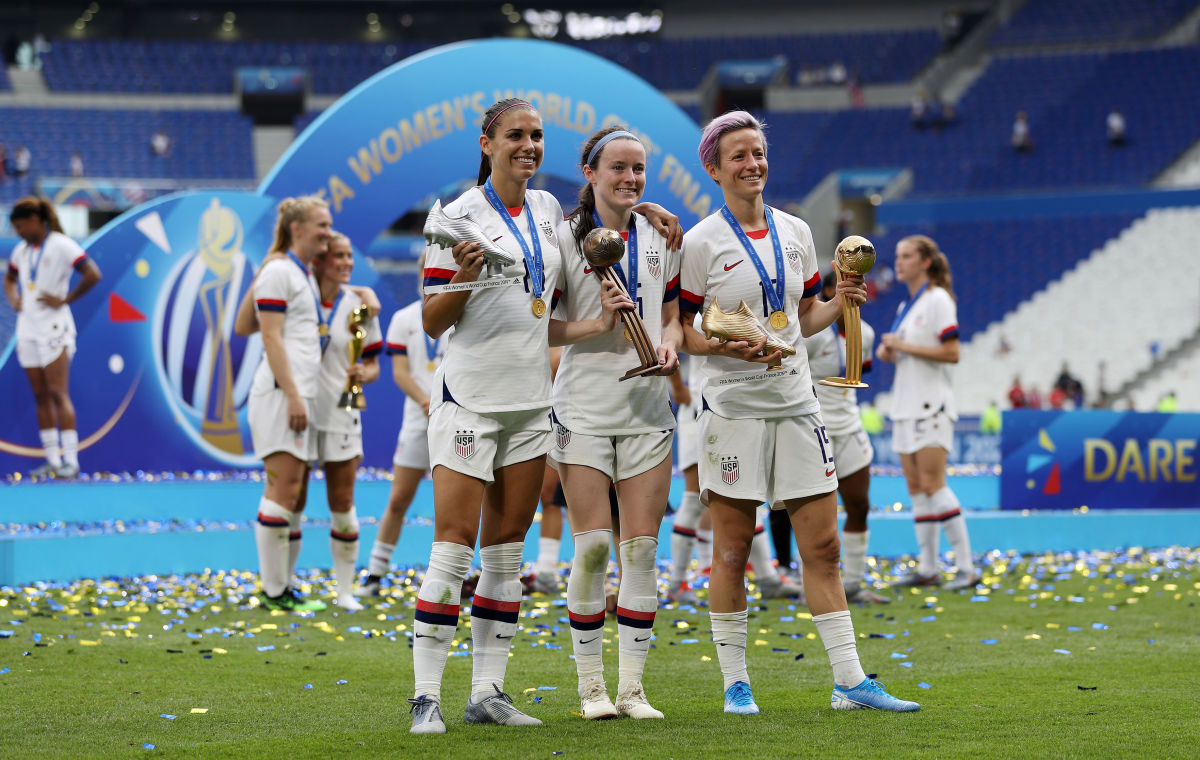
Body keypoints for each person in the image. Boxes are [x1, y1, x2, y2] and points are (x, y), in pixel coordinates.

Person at [408, 98, 676, 734]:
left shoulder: (550, 211)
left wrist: (647, 217)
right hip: (470, 399)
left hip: (532, 404)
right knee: (452, 548)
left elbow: (546, 317)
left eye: (536, 137)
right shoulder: (456, 217)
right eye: (515, 136)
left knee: (505, 554)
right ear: (487, 142)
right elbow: (430, 321)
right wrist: (460, 283)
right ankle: (425, 697)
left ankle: (487, 692)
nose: (528, 146)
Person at [679, 111, 919, 715]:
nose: (752, 163)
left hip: (797, 403)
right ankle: (736, 683)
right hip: (733, 410)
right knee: (732, 550)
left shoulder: (796, 230)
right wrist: (722, 343)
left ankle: (849, 681)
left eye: (758, 152)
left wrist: (840, 301)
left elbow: (804, 317)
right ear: (714, 167)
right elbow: (683, 330)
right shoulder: (701, 241)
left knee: (825, 548)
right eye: (738, 155)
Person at [551, 125, 683, 721]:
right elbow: (540, 328)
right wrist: (595, 326)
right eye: (619, 168)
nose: (631, 178)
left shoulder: (660, 233)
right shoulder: (559, 240)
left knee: (643, 551)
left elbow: (674, 315)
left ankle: (632, 690)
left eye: (639, 169)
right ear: (591, 174)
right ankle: (590, 690)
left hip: (649, 409)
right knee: (594, 551)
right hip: (583, 406)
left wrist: (673, 344)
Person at [244, 195, 333, 612]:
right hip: (284, 394)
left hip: (299, 394)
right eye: (322, 225)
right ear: (297, 228)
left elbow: (246, 321)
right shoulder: (281, 270)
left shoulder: (294, 271)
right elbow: (268, 336)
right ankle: (273, 591)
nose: (328, 234)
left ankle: (285, 586)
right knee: (283, 488)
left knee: (296, 495)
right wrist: (294, 394)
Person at [877, 234, 978, 591]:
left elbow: (952, 352)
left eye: (906, 256)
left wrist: (903, 345)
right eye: (898, 256)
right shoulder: (907, 306)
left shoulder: (937, 299)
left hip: (930, 405)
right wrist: (892, 352)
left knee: (934, 485)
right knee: (917, 488)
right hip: (905, 405)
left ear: (925, 262)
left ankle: (967, 567)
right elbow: (910, 349)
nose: (899, 262)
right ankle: (928, 568)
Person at [362, 255, 446, 597]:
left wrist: (443, 403)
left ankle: (449, 577)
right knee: (398, 500)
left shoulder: (461, 312)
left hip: (455, 420)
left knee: (453, 506)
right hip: (418, 420)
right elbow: (400, 373)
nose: (428, 274)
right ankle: (375, 574)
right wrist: (428, 402)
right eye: (424, 268)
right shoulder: (402, 318)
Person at [803, 271, 889, 604]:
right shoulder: (811, 331)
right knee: (809, 514)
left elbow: (857, 376)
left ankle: (852, 583)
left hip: (850, 426)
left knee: (860, 505)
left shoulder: (864, 333)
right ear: (828, 291)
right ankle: (808, 582)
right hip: (813, 429)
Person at [3, 197, 102, 478]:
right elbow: (9, 279)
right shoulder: (22, 252)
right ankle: (52, 461)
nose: (19, 232)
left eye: (21, 226)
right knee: (40, 395)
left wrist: (65, 299)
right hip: (28, 329)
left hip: (54, 328)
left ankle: (71, 460)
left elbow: (93, 273)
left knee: (59, 393)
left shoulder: (60, 244)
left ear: (35, 220)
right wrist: (14, 299)